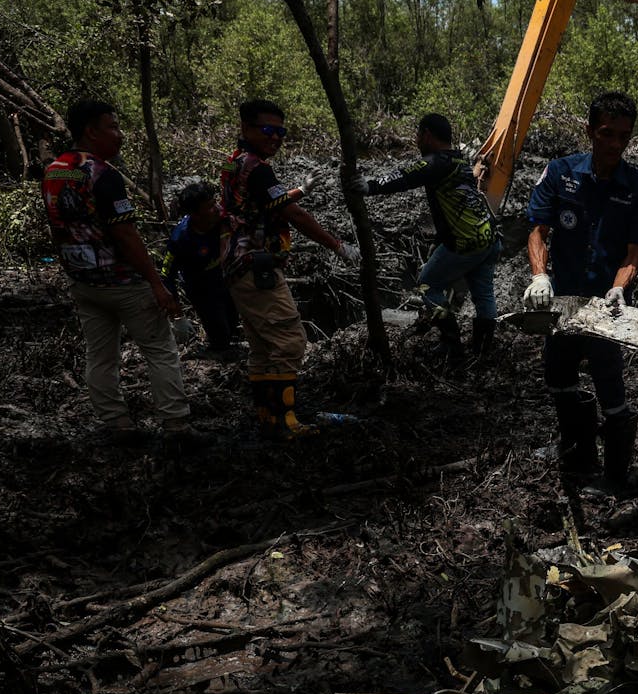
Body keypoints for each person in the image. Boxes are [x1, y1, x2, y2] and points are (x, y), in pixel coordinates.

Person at [521, 91, 638, 494]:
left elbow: (633, 255)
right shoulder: (559, 173)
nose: (615, 144)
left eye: (624, 136)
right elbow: (538, 230)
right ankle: (577, 457)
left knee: (608, 380)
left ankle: (617, 475)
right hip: (561, 300)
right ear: (590, 131)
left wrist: (619, 289)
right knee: (559, 375)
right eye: (606, 134)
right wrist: (539, 276)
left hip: (606, 307)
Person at [41, 100, 196, 442]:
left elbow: (57, 228)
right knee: (160, 350)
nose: (119, 135)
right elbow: (125, 234)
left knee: (100, 355)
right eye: (112, 127)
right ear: (90, 131)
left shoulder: (54, 170)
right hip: (122, 281)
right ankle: (176, 425)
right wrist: (157, 283)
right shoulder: (103, 174)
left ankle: (115, 423)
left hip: (83, 282)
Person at [220, 99, 361, 439]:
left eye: (281, 132)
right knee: (290, 341)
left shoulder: (235, 162)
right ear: (246, 128)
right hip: (257, 266)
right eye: (268, 130)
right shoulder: (258, 168)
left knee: (262, 346)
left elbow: (269, 200)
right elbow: (292, 214)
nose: (276, 138)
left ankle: (268, 419)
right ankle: (287, 424)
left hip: (238, 264)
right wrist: (338, 246)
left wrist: (301, 189)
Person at [348, 113, 501, 362]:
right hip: (488, 237)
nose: (417, 140)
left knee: (428, 284)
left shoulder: (436, 162)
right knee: (484, 295)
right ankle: (483, 354)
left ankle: (452, 345)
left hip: (464, 243)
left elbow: (405, 176)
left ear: (427, 135)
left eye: (418, 135)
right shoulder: (459, 161)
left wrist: (370, 186)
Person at [162, 181, 240, 361]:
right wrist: (178, 316)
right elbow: (167, 275)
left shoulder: (223, 217)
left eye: (215, 202)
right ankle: (217, 351)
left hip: (224, 278)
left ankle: (229, 344)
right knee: (219, 329)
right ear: (195, 214)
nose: (217, 208)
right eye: (210, 206)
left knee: (232, 320)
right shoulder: (181, 237)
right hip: (200, 287)